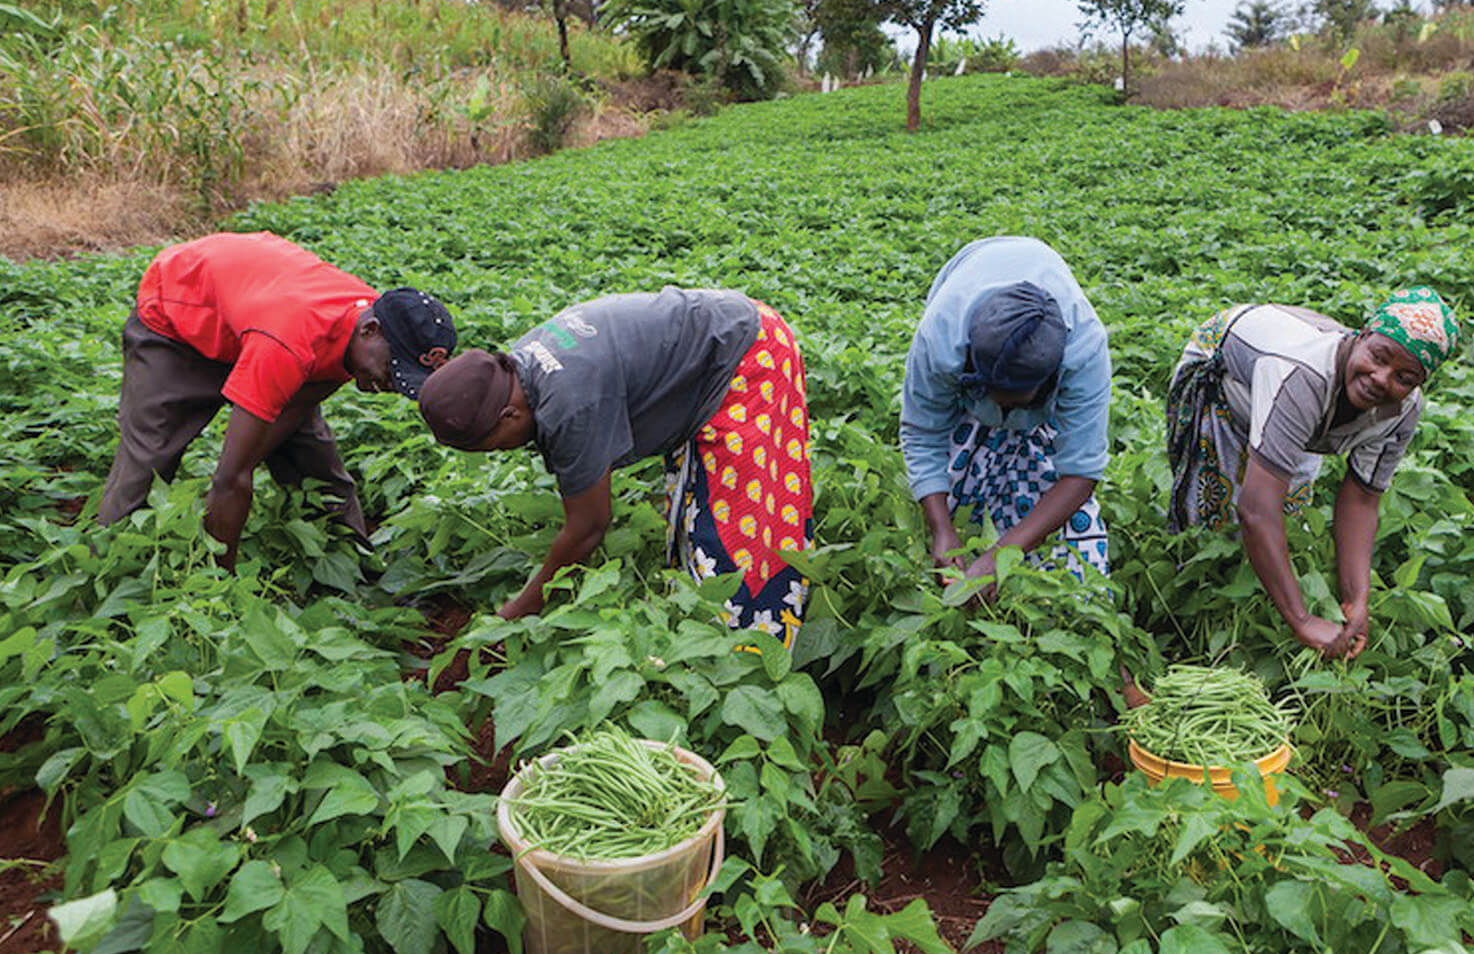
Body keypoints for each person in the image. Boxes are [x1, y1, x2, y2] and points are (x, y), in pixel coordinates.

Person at [417, 289, 813, 649]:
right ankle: (696, 629)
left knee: (738, 531)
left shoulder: (567, 403)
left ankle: (750, 658)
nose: (502, 451)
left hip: (749, 351)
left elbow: (588, 525)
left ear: (509, 414)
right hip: (716, 338)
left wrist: (521, 609)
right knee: (694, 505)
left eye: (493, 445)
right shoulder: (517, 366)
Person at [99, 231, 457, 567]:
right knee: (151, 454)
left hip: (252, 310)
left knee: (314, 461)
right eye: (393, 371)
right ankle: (109, 562)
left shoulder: (363, 336)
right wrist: (222, 588)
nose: (391, 384)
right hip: (180, 310)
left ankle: (355, 569)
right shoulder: (291, 341)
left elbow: (297, 405)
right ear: (370, 331)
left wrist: (258, 449)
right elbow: (231, 479)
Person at [1165, 287, 1458, 658]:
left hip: (1298, 401)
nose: (1382, 379)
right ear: (1361, 336)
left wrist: (1356, 599)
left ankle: (1265, 595)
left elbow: (1363, 497)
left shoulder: (1403, 409)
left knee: (1285, 512)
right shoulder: (1301, 373)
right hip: (1225, 374)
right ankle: (1192, 626)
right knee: (1211, 518)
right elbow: (1256, 510)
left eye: (1404, 377)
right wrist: (1301, 619)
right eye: (1378, 357)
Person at [901, 236, 1112, 592]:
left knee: (1070, 548)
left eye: (1017, 400)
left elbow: (1080, 470)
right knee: (956, 494)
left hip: (1048, 382)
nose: (1005, 411)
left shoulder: (1085, 351)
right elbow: (923, 432)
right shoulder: (940, 338)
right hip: (966, 306)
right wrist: (942, 530)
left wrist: (1002, 555)